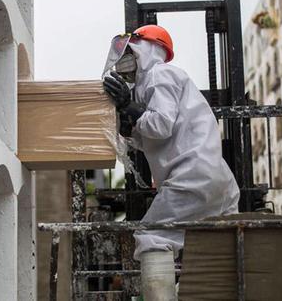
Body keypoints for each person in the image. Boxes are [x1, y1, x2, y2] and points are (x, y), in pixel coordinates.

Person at [103, 25, 240, 299]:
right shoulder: (148, 86)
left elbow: (161, 125)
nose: (126, 60)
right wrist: (128, 125)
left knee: (152, 236)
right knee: (220, 242)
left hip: (191, 175)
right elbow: (153, 138)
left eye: (131, 51)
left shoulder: (160, 74)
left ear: (148, 48)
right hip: (218, 180)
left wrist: (130, 109)